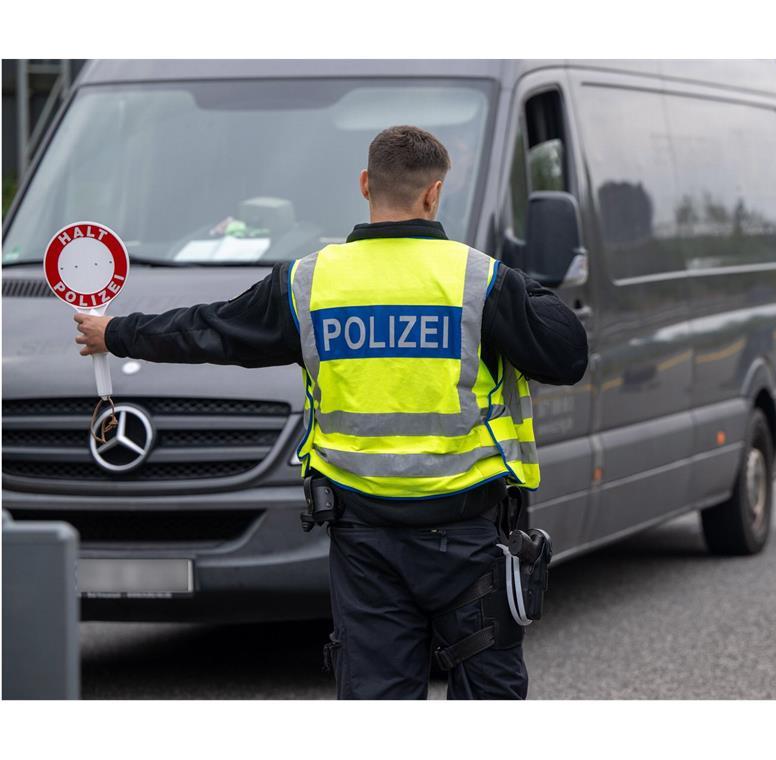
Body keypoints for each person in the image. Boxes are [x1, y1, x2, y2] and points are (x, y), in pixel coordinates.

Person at [74, 125, 589, 699]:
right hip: (466, 537)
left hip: (364, 538)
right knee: (487, 694)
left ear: (366, 185)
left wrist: (115, 332)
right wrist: (520, 286)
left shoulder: (309, 282)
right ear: (434, 194)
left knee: (376, 695)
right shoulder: (479, 279)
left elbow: (211, 330)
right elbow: (567, 355)